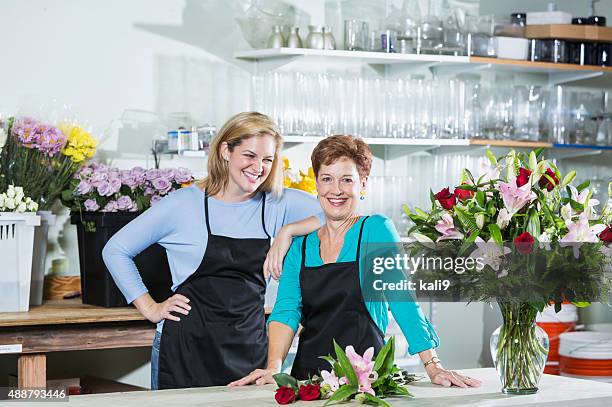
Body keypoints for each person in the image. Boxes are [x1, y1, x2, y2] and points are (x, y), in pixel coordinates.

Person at [230, 135, 482, 388]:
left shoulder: (375, 230)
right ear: (317, 184)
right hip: (308, 382)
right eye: (327, 179)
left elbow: (402, 299)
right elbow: (286, 311)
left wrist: (433, 366)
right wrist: (274, 366)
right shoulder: (301, 246)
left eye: (346, 180)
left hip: (367, 381)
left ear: (362, 184)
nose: (336, 190)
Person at [102, 112, 323, 390]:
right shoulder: (184, 204)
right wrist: (150, 307)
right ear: (225, 150)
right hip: (184, 351)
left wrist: (287, 231)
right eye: (250, 156)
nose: (258, 167)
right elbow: (116, 250)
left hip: (249, 352)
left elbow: (341, 213)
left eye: (267, 160)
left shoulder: (279, 204)